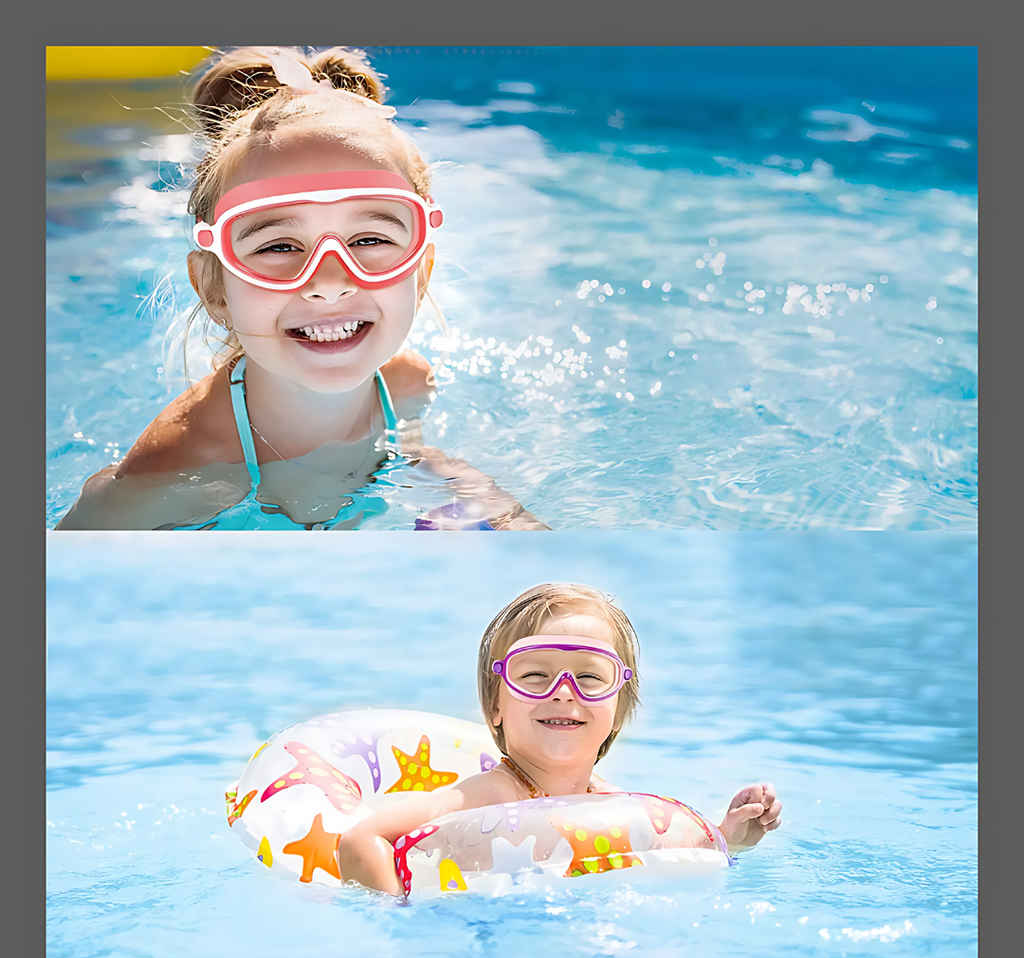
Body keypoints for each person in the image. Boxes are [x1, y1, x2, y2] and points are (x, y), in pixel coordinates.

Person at [57, 47, 545, 531]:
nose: (329, 283)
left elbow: (408, 456)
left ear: (421, 273)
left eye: (371, 239)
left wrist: (494, 510)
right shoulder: (177, 470)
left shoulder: (406, 386)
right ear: (214, 289)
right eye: (279, 246)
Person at [337, 583, 782, 895]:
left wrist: (731, 838)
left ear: (618, 709)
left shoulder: (610, 801)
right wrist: (398, 917)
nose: (564, 691)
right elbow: (362, 840)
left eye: (589, 677)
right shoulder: (494, 792)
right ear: (497, 706)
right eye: (534, 676)